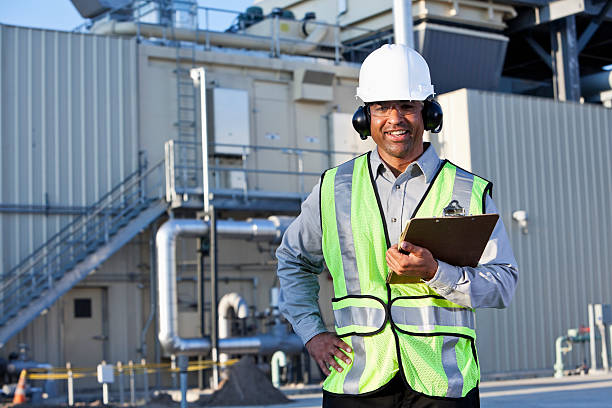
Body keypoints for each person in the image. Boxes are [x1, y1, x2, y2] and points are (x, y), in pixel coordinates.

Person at [276, 44, 518, 408]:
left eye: (407, 106)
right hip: (356, 381)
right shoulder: (334, 188)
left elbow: (503, 285)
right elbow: (292, 260)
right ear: (365, 118)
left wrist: (436, 271)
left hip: (442, 385)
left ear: (429, 113)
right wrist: (313, 334)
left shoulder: (468, 190)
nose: (395, 119)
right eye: (381, 108)